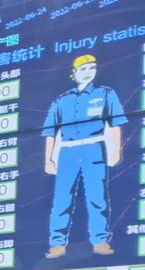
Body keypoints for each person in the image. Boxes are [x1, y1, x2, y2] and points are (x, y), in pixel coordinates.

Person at [43, 51, 127, 257]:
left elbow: (116, 123)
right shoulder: (61, 100)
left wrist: (116, 150)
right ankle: (57, 244)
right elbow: (50, 132)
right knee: (62, 198)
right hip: (67, 152)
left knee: (97, 196)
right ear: (73, 73)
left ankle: (100, 241)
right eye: (83, 69)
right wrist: (48, 160)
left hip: (94, 148)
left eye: (92, 68)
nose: (88, 72)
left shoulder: (105, 93)